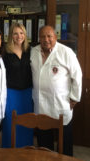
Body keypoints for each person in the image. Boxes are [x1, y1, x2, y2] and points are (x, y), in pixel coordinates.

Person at [30, 25, 82, 156]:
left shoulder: (66, 52)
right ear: (38, 38)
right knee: (44, 145)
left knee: (64, 145)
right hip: (41, 104)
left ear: (55, 37)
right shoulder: (33, 51)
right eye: (42, 36)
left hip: (61, 104)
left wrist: (75, 97)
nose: (46, 39)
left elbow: (77, 75)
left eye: (49, 36)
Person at [2, 22, 33, 148]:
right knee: (10, 122)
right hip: (11, 92)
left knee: (27, 121)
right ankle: (10, 150)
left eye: (21, 33)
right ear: (11, 36)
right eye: (15, 33)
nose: (19, 36)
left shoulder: (30, 50)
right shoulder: (5, 52)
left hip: (27, 92)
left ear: (25, 35)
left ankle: (26, 149)